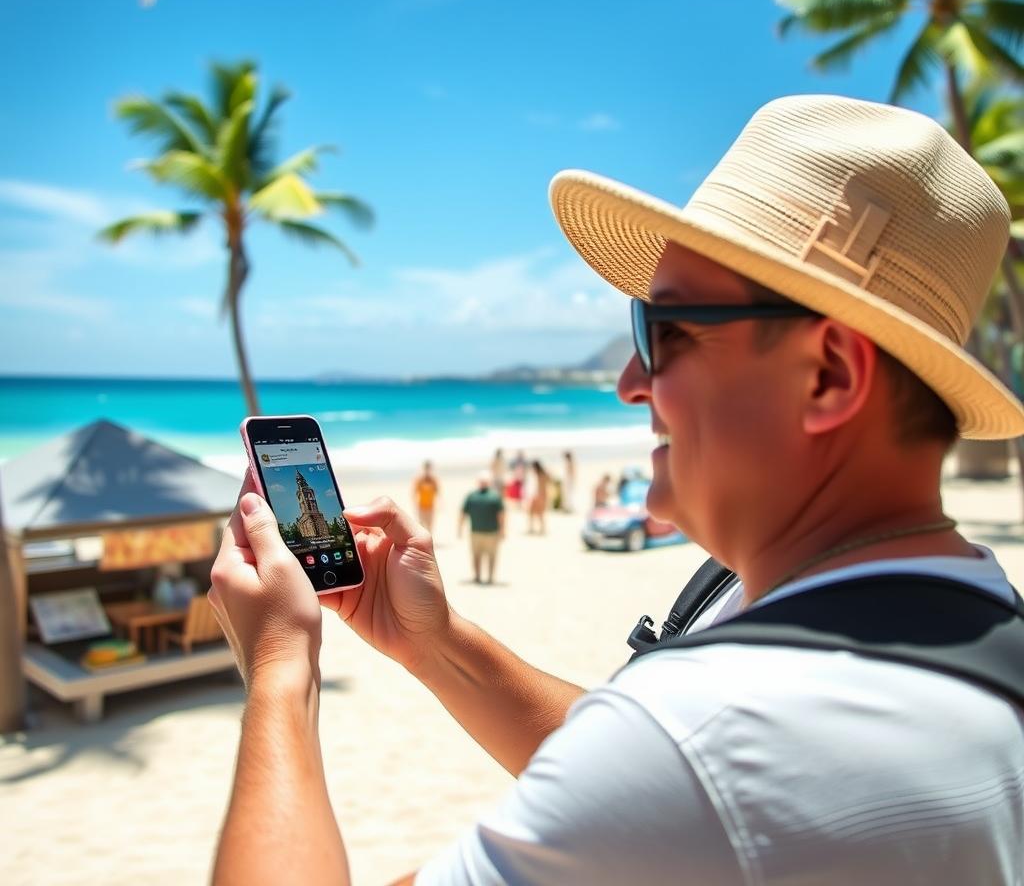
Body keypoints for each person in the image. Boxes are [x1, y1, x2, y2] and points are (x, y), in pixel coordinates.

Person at [207, 95, 1024, 885]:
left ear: (829, 375)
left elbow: (681, 776)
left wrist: (281, 668)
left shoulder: (720, 735)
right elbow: (666, 801)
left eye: (663, 332)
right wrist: (436, 642)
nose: (629, 381)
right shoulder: (972, 622)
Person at [457, 470, 505, 585]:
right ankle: (484, 577)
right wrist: (502, 530)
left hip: (483, 532)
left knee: (481, 555)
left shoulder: (475, 496)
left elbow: (501, 515)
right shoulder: (492, 496)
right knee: (484, 555)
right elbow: (501, 515)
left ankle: (483, 577)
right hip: (485, 532)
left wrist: (460, 528)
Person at [411, 460, 439, 535]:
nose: (427, 470)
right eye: (426, 468)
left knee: (430, 526)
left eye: (429, 468)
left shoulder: (433, 480)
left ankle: (429, 539)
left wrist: (440, 503)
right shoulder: (419, 480)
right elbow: (414, 492)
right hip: (421, 506)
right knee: (422, 526)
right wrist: (415, 504)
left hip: (430, 506)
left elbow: (437, 492)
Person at [525, 459, 549, 535]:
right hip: (542, 495)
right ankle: (541, 529)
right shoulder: (544, 474)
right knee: (538, 513)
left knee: (534, 512)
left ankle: (534, 528)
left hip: (539, 495)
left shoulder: (539, 475)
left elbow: (539, 487)